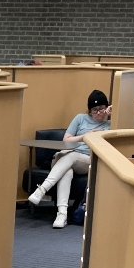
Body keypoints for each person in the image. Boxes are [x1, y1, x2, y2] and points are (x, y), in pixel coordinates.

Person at [27, 90, 111, 229]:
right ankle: (62, 214)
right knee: (67, 170)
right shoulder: (80, 118)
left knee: (70, 157)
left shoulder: (111, 125)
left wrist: (113, 114)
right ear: (89, 110)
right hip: (69, 155)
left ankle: (42, 190)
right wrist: (85, 136)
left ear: (107, 108)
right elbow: (66, 140)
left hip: (90, 159)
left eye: (101, 109)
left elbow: (126, 130)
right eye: (94, 110)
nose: (98, 113)